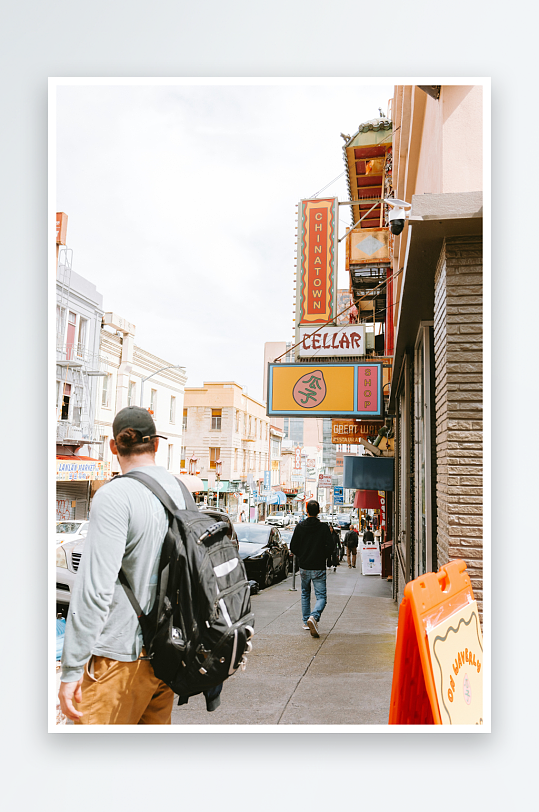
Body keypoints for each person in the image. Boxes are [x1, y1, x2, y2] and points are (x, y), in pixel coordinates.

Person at [58, 406, 189, 725]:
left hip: (118, 657)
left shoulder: (114, 495)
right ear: (156, 444)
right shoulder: (181, 491)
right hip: (167, 655)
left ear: (114, 446)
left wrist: (72, 669)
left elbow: (94, 590)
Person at [290, 499, 334, 638]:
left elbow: (293, 547)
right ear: (319, 511)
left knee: (305, 593)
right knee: (321, 597)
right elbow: (331, 546)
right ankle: (314, 617)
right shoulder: (323, 528)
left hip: (304, 566)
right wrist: (323, 556)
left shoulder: (300, 527)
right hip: (318, 566)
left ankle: (306, 621)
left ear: (306, 511)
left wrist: (302, 555)